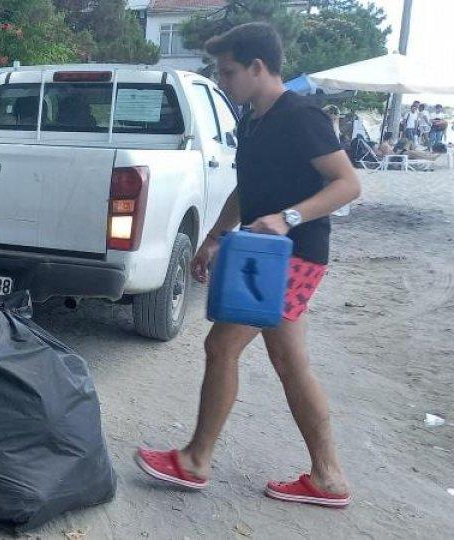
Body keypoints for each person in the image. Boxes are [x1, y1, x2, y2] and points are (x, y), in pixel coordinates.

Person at [135, 22, 361, 508]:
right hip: (266, 256)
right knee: (290, 364)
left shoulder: (301, 116)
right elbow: (246, 188)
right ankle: (329, 478)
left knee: (221, 345)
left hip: (292, 257)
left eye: (229, 71)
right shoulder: (254, 119)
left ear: (258, 67)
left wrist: (288, 217)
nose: (223, 80)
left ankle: (195, 460)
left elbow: (348, 184)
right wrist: (214, 237)